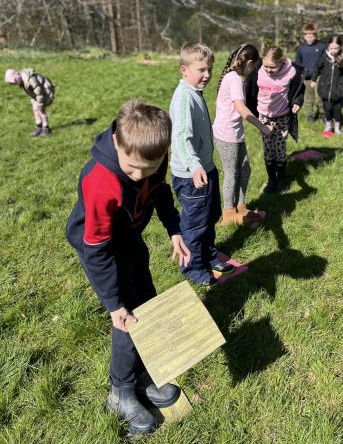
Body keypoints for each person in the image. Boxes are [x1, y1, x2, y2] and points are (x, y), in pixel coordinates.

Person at [65, 99, 191, 436]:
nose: (138, 176)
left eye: (147, 169)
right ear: (117, 142)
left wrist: (174, 230)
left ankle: (141, 377)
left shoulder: (152, 158)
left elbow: (160, 192)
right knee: (128, 318)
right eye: (132, 168)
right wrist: (113, 303)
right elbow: (97, 249)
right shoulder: (100, 179)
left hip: (128, 236)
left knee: (147, 302)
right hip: (100, 248)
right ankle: (119, 392)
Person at [170, 42, 234, 287]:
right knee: (195, 224)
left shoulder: (195, 92)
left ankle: (209, 256)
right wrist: (195, 166)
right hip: (191, 175)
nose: (207, 75)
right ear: (184, 69)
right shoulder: (184, 97)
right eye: (201, 70)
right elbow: (180, 137)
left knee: (210, 215)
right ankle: (193, 267)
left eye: (210, 69)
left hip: (205, 169)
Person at [213, 44, 273, 226]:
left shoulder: (233, 77)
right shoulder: (235, 79)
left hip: (235, 133)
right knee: (231, 173)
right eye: (254, 67)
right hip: (226, 135)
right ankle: (228, 213)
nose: (252, 71)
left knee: (245, 169)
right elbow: (240, 107)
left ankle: (240, 207)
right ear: (249, 63)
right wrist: (263, 127)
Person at [246, 44, 304, 194]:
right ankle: (271, 179)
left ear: (282, 61)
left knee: (280, 148)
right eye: (265, 66)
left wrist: (297, 102)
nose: (268, 70)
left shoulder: (291, 72)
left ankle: (281, 180)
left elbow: (299, 89)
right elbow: (249, 89)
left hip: (282, 117)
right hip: (264, 116)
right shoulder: (257, 71)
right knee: (268, 149)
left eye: (272, 67)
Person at [310, 35, 343, 135]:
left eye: (336, 48)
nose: (334, 51)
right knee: (328, 108)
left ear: (340, 47)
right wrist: (314, 79)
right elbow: (317, 67)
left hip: (339, 88)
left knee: (337, 109)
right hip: (325, 87)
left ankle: (337, 127)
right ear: (328, 47)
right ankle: (328, 125)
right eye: (331, 48)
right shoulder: (324, 57)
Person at [4, 67, 55, 136]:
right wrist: (33, 100)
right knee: (35, 109)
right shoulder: (23, 81)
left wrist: (40, 103)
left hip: (45, 93)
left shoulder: (30, 78)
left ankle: (46, 128)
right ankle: (39, 126)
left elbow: (38, 91)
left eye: (15, 81)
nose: (15, 83)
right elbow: (31, 92)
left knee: (41, 110)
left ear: (16, 75)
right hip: (36, 96)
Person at [294, 24, 326, 122]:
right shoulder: (301, 49)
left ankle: (322, 114)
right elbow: (298, 63)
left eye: (312, 36)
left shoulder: (321, 46)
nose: (310, 38)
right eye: (307, 36)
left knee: (320, 97)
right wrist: (300, 74)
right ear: (304, 36)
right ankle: (310, 116)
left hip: (319, 76)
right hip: (306, 78)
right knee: (308, 98)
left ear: (315, 35)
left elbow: (325, 61)